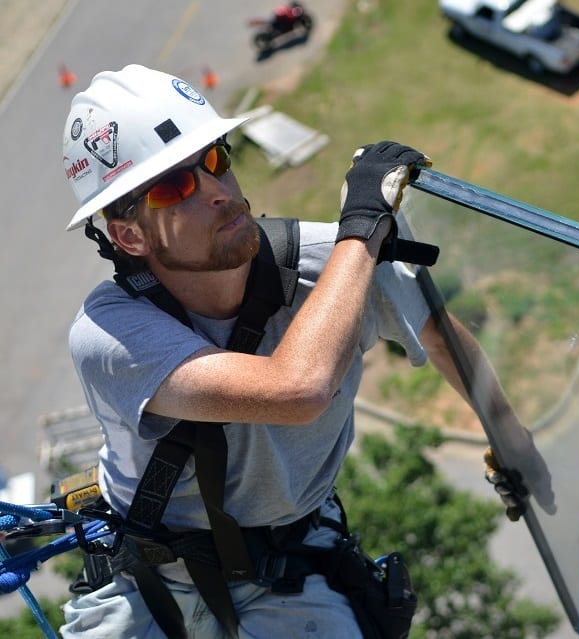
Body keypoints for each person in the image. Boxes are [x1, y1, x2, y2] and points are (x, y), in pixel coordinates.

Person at [59, 64, 552, 639]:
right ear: (130, 237)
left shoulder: (332, 264)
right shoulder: (109, 333)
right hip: (151, 578)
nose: (219, 191)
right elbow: (297, 389)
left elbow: (440, 333)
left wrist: (512, 441)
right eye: (175, 186)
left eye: (216, 159)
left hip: (292, 561)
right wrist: (363, 229)